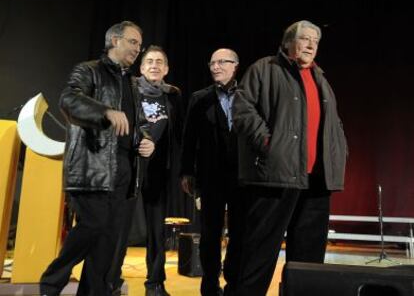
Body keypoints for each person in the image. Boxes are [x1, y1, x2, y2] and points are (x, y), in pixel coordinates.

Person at [231, 20, 348, 295]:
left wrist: (339, 150)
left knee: (309, 259)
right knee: (260, 252)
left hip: (316, 180)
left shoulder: (321, 78)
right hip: (276, 175)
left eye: (315, 41)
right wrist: (268, 144)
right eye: (305, 39)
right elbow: (242, 109)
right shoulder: (265, 68)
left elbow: (334, 124)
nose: (311, 45)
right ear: (287, 43)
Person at [39, 20, 155, 296]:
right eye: (132, 42)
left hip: (125, 170)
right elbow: (69, 99)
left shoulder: (132, 83)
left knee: (108, 242)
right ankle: (51, 281)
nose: (137, 49)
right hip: (93, 168)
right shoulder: (89, 70)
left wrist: (147, 139)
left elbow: (138, 123)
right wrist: (104, 111)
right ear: (115, 41)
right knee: (94, 225)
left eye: (139, 44)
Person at [110, 45, 183, 296]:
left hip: (158, 171)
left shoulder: (173, 95)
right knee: (121, 227)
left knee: (156, 230)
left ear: (166, 69)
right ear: (141, 68)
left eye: (159, 62)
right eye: (149, 61)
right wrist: (140, 142)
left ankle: (155, 283)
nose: (154, 65)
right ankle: (112, 280)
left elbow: (177, 134)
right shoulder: (129, 90)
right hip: (130, 168)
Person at [181, 48, 243, 296]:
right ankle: (209, 283)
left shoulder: (249, 95)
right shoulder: (200, 98)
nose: (215, 66)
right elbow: (189, 138)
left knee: (240, 231)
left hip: (241, 177)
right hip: (210, 176)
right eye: (212, 63)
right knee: (210, 232)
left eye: (222, 62)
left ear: (235, 65)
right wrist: (186, 171)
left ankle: (234, 281)